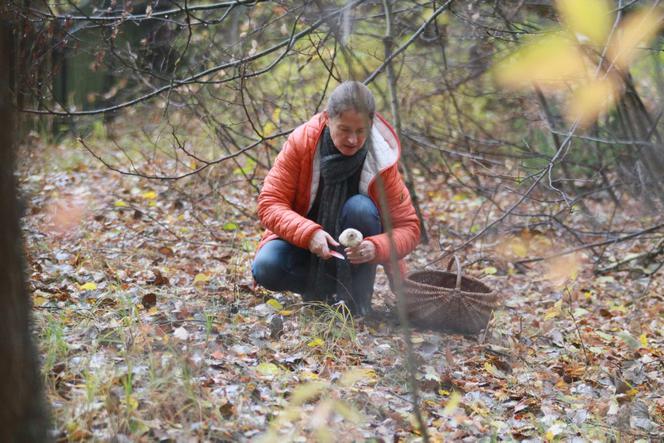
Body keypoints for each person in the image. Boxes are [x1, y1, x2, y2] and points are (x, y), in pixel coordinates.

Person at [252, 81, 420, 315]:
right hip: (307, 249)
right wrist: (309, 234)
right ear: (327, 119)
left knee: (360, 208)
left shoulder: (381, 160)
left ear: (370, 125)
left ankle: (356, 300)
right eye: (344, 129)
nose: (352, 139)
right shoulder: (302, 143)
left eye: (361, 131)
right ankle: (320, 294)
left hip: (356, 259)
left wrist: (375, 246)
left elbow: (409, 227)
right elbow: (270, 202)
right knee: (266, 267)